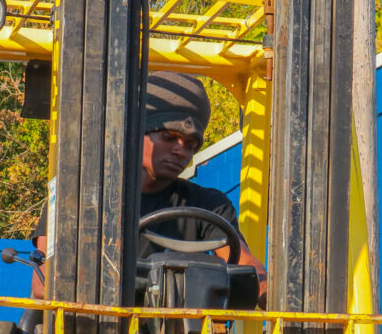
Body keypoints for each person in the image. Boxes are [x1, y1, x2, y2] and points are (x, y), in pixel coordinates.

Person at [31, 71, 266, 299]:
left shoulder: (208, 205)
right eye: (169, 137)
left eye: (191, 145)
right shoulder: (78, 194)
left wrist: (268, 292)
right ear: (137, 132)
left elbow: (245, 264)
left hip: (174, 325)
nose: (181, 151)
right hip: (90, 320)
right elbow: (45, 281)